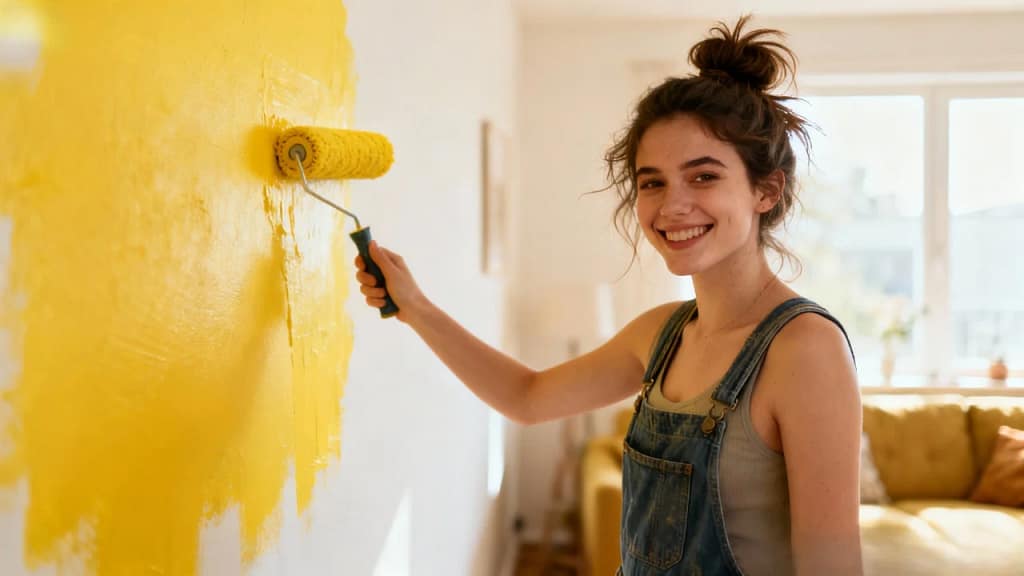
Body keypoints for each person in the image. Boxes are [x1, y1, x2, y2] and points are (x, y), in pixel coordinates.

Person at [354, 15, 863, 576]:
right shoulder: (661, 333)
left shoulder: (805, 349)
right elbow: (527, 397)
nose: (672, 206)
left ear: (765, 190)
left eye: (703, 176)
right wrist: (415, 308)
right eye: (652, 182)